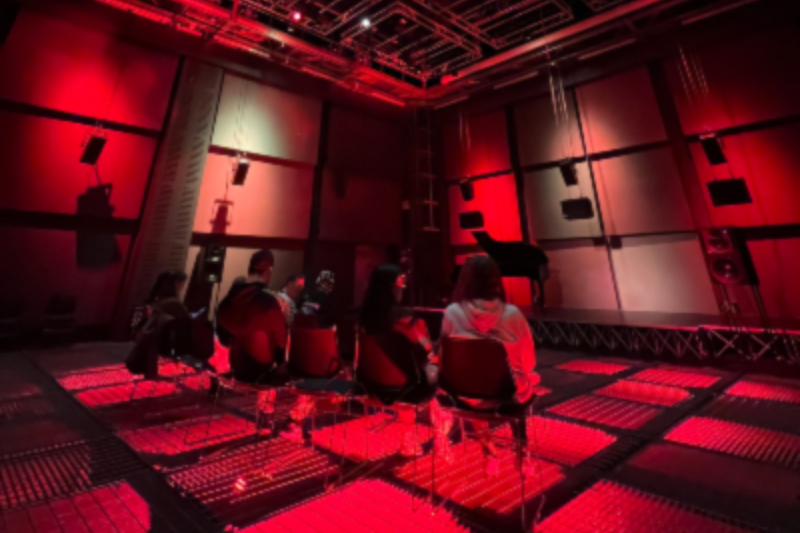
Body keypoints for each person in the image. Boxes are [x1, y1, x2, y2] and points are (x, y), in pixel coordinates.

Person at [440, 255, 539, 475]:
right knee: (516, 384)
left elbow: (445, 354)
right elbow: (530, 361)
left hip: (465, 396)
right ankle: (523, 456)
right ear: (496, 280)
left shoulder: (452, 312)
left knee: (474, 385)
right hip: (506, 396)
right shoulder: (512, 314)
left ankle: (489, 451)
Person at [358, 264, 448, 457]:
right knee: (441, 376)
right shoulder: (401, 317)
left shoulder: (365, 318)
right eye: (401, 282)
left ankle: (408, 440)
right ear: (391, 286)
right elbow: (424, 349)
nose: (403, 287)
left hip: (371, 385)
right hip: (406, 387)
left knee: (406, 373)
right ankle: (441, 436)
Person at [216, 250, 288, 415]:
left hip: (235, 369)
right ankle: (280, 419)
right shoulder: (269, 303)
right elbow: (280, 344)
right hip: (263, 373)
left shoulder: (227, 302)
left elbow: (223, 338)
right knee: (305, 371)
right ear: (269, 270)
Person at [126, 271, 191, 379]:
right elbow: (187, 320)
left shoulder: (159, 299)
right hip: (161, 340)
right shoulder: (173, 302)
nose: (183, 287)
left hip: (146, 336)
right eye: (183, 284)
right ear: (177, 283)